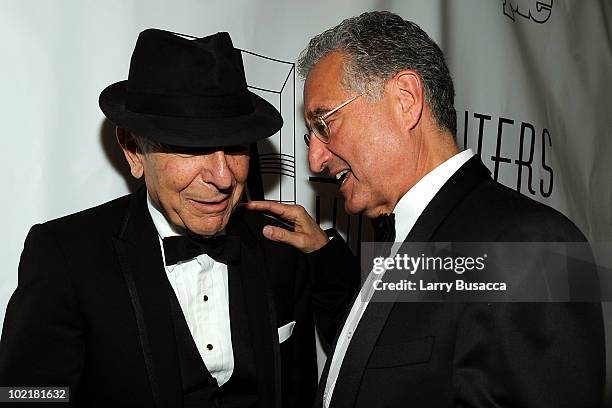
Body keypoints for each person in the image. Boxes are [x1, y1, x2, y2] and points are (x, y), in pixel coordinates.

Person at [247, 11, 605, 408]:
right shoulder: (418, 235)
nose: (315, 160)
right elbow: (385, 360)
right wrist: (325, 257)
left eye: (325, 124)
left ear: (406, 100)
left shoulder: (532, 248)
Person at [0, 29, 358, 407]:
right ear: (134, 150)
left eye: (236, 147)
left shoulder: (279, 245)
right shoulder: (66, 256)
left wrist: (325, 256)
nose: (223, 177)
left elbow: (374, 352)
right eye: (192, 148)